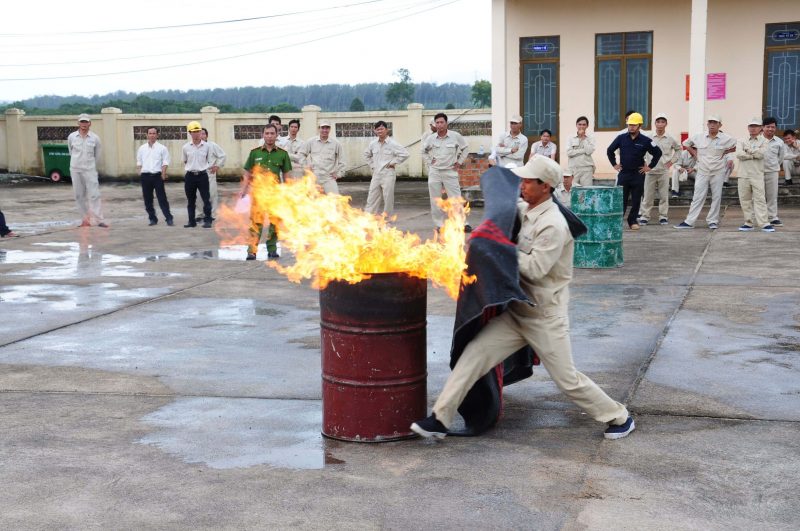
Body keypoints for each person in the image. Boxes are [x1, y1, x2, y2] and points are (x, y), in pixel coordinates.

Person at [410, 156, 634, 441]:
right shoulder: (525, 208)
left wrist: (500, 247)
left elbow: (536, 270)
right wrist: (487, 229)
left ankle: (619, 417)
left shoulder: (553, 225)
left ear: (546, 186)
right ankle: (440, 419)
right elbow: (502, 211)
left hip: (544, 317)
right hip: (517, 313)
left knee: (568, 381)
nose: (522, 185)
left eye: (528, 181)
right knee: (473, 356)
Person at [240, 124, 292, 261]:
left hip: (275, 195)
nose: (269, 136)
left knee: (274, 223)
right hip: (258, 194)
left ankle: (272, 249)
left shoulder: (283, 154)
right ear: (263, 135)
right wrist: (244, 189)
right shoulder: (255, 153)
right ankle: (252, 251)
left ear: (276, 135)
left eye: (272, 133)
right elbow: (248, 172)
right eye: (267, 133)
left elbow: (287, 175)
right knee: (256, 223)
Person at [675, 116, 736, 230]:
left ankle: (712, 221)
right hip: (702, 171)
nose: (712, 125)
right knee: (698, 196)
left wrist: (726, 152)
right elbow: (686, 143)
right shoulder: (699, 137)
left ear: (720, 125)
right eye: (710, 122)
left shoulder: (726, 138)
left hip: (718, 171)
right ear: (707, 124)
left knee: (716, 197)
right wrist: (695, 153)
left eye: (715, 123)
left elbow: (736, 146)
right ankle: (689, 221)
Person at [606, 112, 662, 230]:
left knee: (636, 199)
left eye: (634, 125)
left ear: (639, 126)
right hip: (624, 174)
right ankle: (617, 222)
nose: (631, 127)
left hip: (638, 174)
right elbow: (610, 150)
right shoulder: (621, 138)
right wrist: (614, 164)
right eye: (629, 124)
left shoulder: (646, 140)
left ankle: (632, 221)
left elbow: (658, 152)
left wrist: (649, 167)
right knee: (621, 199)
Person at [422, 112, 470, 231]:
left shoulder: (455, 136)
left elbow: (465, 148)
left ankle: (461, 223)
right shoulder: (431, 138)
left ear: (446, 123)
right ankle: (439, 225)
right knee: (435, 199)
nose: (439, 125)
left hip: (450, 171)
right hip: (435, 172)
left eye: (441, 122)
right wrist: (429, 162)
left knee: (455, 198)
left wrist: (459, 162)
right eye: (437, 122)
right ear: (435, 124)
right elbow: (423, 151)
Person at [638, 113, 680, 225]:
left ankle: (663, 216)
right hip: (650, 171)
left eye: (663, 122)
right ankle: (645, 216)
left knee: (663, 195)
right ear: (655, 123)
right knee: (647, 195)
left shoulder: (671, 138)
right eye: (658, 122)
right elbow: (640, 150)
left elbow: (678, 149)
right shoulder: (648, 136)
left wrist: (671, 162)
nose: (660, 124)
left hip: (664, 171)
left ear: (666, 124)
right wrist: (644, 162)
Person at [67, 113, 107, 228]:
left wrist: (91, 165)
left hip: (90, 169)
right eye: (82, 122)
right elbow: (71, 151)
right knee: (79, 195)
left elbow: (97, 155)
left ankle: (99, 220)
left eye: (86, 122)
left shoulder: (95, 138)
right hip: (75, 169)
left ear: (90, 123)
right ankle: (85, 220)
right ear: (78, 123)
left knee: (94, 195)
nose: (84, 124)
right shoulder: (72, 137)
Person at [363, 120, 409, 217]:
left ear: (386, 130)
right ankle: (369, 218)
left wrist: (393, 162)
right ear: (375, 131)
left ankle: (387, 219)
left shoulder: (392, 143)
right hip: (376, 174)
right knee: (372, 196)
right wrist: (372, 166)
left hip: (388, 174)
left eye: (382, 129)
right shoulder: (373, 144)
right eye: (378, 129)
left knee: (388, 198)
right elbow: (366, 155)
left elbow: (405, 154)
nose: (380, 131)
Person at [735, 118, 773, 233]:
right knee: (745, 200)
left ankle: (764, 223)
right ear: (748, 128)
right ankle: (748, 222)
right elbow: (739, 154)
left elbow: (762, 154)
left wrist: (747, 150)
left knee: (760, 199)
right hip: (743, 174)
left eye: (755, 126)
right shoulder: (741, 140)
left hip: (757, 174)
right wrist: (753, 153)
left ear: (760, 128)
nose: (753, 128)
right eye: (751, 126)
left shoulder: (764, 141)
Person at [135, 127, 174, 226]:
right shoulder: (142, 148)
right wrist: (139, 171)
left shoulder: (162, 148)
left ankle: (169, 218)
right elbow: (139, 161)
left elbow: (165, 162)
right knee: (148, 199)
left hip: (157, 176)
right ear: (147, 135)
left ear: (157, 135)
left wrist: (163, 173)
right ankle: (152, 218)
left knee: (162, 198)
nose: (152, 135)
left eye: (154, 133)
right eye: (150, 133)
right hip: (145, 176)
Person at [182, 121, 216, 228]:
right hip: (190, 176)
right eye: (193, 132)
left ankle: (208, 220)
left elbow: (209, 160)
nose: (196, 134)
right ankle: (191, 221)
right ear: (190, 133)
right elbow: (185, 161)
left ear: (201, 132)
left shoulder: (207, 146)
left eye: (198, 131)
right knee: (191, 200)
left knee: (206, 199)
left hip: (202, 176)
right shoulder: (185, 147)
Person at [299, 120, 346, 194]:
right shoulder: (311, 142)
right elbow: (301, 154)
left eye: (327, 128)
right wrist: (306, 167)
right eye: (322, 128)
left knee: (334, 200)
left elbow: (342, 160)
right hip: (314, 177)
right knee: (313, 201)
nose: (325, 130)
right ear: (319, 129)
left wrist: (339, 173)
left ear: (330, 129)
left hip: (329, 178)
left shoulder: (336, 143)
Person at [762, 117, 786, 227]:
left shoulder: (779, 142)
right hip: (757, 172)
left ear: (775, 128)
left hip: (772, 172)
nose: (770, 129)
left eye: (773, 127)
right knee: (757, 196)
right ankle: (757, 216)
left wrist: (774, 166)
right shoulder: (757, 140)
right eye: (768, 127)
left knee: (772, 195)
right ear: (763, 127)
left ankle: (773, 217)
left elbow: (781, 158)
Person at [199, 128, 227, 219]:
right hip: (198, 174)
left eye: (203, 134)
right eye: (200, 134)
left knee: (212, 194)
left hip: (209, 173)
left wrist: (217, 166)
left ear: (206, 135)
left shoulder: (212, 145)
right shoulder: (195, 146)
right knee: (199, 195)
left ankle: (212, 214)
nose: (201, 136)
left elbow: (222, 156)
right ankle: (200, 214)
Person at [566, 116, 596, 186]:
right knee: (573, 191)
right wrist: (583, 150)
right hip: (573, 168)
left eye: (584, 124)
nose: (581, 126)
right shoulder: (570, 137)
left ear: (587, 126)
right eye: (579, 124)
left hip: (587, 168)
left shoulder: (591, 138)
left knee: (586, 191)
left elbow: (589, 151)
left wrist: (583, 138)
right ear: (576, 125)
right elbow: (569, 153)